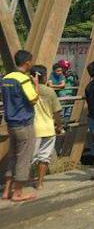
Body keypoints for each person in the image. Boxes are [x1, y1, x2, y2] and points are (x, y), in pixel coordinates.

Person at [1, 50, 39, 202]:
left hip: (11, 123)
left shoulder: (6, 78)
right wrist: (35, 85)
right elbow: (34, 99)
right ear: (27, 62)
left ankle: (6, 190)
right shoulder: (23, 79)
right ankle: (17, 193)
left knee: (13, 156)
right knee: (24, 157)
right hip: (24, 123)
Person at [30, 65, 63, 190]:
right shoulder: (50, 91)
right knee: (44, 157)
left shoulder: (28, 89)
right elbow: (57, 112)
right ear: (44, 76)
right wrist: (59, 126)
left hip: (33, 129)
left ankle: (24, 182)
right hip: (48, 129)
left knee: (28, 158)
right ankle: (40, 183)